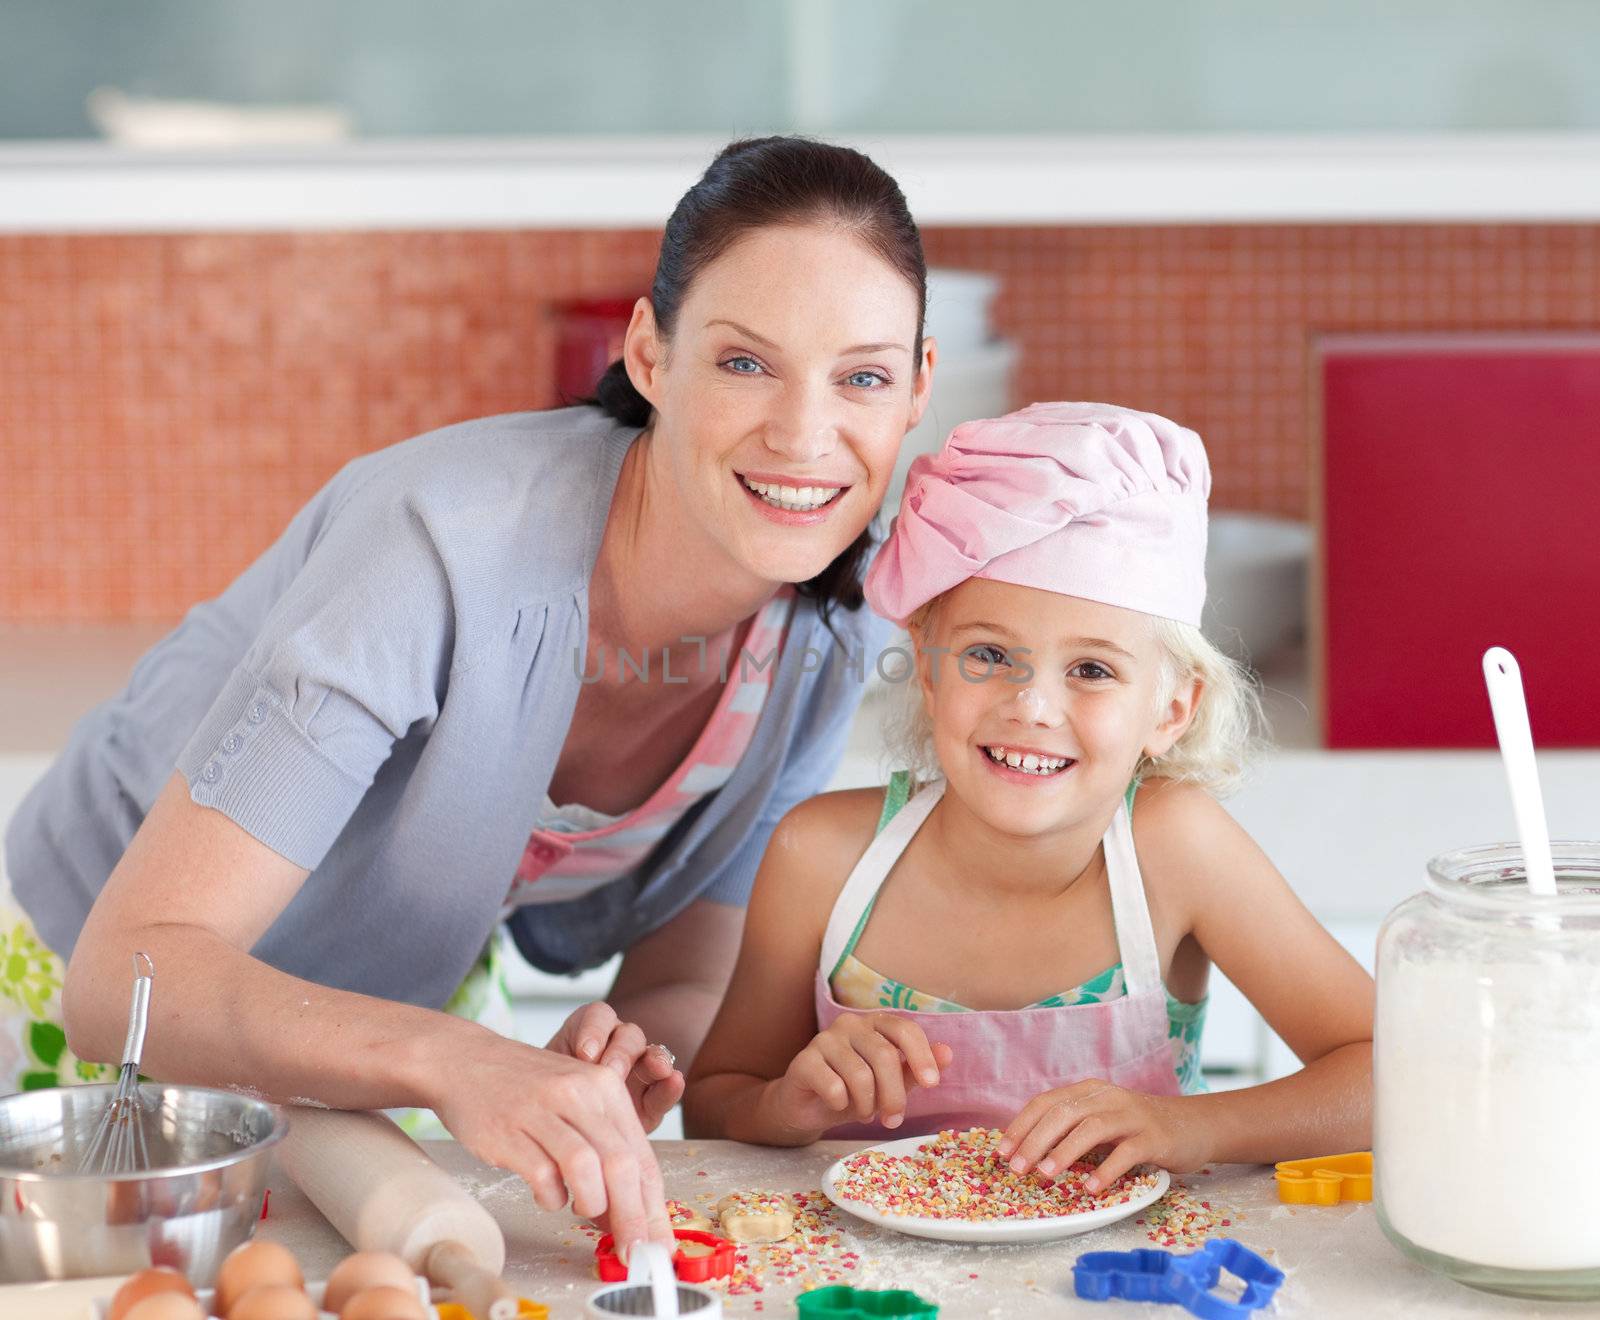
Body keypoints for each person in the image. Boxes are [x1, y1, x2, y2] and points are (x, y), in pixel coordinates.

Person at [1, 136, 935, 1248]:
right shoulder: (438, 544)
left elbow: (690, 956)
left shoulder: (827, 632)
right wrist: (454, 1059)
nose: (802, 432)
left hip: (379, 1032)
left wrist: (626, 1056)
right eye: (744, 362)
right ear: (649, 352)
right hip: (92, 994)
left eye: (862, 376)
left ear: (918, 388)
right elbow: (127, 974)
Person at [684, 402, 1373, 1189]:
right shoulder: (821, 858)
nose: (1033, 706)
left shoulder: (1173, 849)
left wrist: (1194, 1126)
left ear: (1170, 709)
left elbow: (1391, 1074)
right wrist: (787, 1105)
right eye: (988, 654)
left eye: (1092, 670)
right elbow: (713, 1110)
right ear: (933, 670)